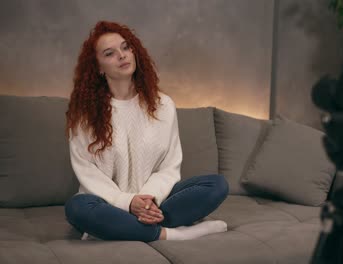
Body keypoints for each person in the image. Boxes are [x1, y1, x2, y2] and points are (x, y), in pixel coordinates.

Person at [64, 21, 229, 242]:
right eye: (110, 53)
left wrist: (148, 199)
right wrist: (128, 202)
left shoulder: (163, 105)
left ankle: (121, 228)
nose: (122, 55)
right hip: (108, 203)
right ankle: (170, 234)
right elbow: (87, 172)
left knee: (216, 185)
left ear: (134, 52)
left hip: (156, 200)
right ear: (99, 68)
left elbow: (169, 166)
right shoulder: (85, 113)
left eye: (125, 47)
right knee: (76, 207)